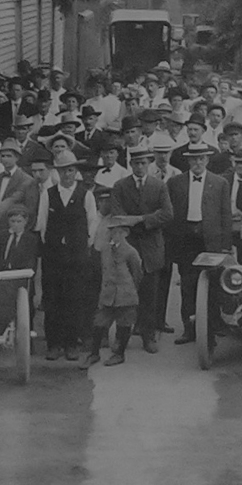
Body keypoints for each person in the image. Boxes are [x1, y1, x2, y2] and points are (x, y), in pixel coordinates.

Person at [165, 143, 233, 350]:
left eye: (201, 158)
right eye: (193, 159)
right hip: (185, 239)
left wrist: (225, 245)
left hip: (210, 239)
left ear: (207, 160)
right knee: (187, 284)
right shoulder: (175, 183)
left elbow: (225, 215)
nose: (197, 162)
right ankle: (189, 328)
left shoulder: (219, 182)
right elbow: (169, 215)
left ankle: (211, 326)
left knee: (212, 284)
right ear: (188, 161)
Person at [34, 150, 100, 361]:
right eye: (63, 171)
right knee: (53, 299)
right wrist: (52, 245)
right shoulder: (48, 194)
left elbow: (92, 223)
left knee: (74, 299)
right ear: (58, 172)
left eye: (70, 170)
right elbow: (42, 224)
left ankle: (72, 343)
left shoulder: (85, 194)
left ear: (76, 171)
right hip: (53, 256)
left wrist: (82, 246)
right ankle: (54, 344)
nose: (67, 175)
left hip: (77, 256)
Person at [107, 146, 174, 348]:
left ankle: (148, 336)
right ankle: (122, 337)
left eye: (143, 163)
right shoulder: (120, 186)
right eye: (136, 163)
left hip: (152, 247)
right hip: (128, 246)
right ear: (130, 165)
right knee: (125, 295)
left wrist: (141, 219)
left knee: (149, 294)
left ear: (149, 164)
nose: (139, 167)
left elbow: (168, 214)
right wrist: (130, 222)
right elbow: (118, 217)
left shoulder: (159, 186)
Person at [82, 220, 143, 368]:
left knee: (124, 324)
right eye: (112, 232)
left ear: (125, 233)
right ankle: (94, 353)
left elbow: (137, 274)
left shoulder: (131, 252)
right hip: (108, 294)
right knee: (99, 323)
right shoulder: (105, 250)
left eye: (118, 232)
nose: (114, 235)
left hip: (125, 295)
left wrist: (130, 290)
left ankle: (119, 354)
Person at [0, 139, 38, 236]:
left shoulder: (27, 180)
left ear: (17, 158)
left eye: (9, 156)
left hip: (16, 228)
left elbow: (27, 208)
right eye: (3, 156)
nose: (5, 159)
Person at [0, 205, 39, 276]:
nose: (15, 224)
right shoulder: (1, 236)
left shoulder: (31, 239)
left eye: (19, 221)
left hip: (19, 275)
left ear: (25, 221)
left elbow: (31, 262)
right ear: (8, 221)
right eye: (12, 221)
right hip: (0, 274)